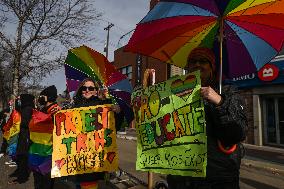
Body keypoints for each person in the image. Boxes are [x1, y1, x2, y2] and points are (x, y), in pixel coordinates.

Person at [167, 47, 247, 189]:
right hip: (181, 177)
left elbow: (237, 134)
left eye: (203, 61)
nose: (197, 64)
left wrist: (219, 102)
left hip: (217, 179)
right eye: (193, 61)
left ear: (212, 67)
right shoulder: (176, 94)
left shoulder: (228, 92)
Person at [70, 78, 121, 189]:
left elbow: (112, 125)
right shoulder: (74, 104)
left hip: (93, 152)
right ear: (81, 89)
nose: (87, 90)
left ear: (95, 90)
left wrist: (113, 107)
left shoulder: (100, 103)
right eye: (84, 88)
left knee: (89, 183)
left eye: (91, 88)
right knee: (78, 183)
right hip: (77, 151)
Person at [29, 85, 61, 189]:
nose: (40, 98)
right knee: (39, 179)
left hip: (48, 153)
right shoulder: (45, 109)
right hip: (39, 150)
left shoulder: (55, 111)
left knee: (45, 182)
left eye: (42, 96)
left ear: (48, 97)